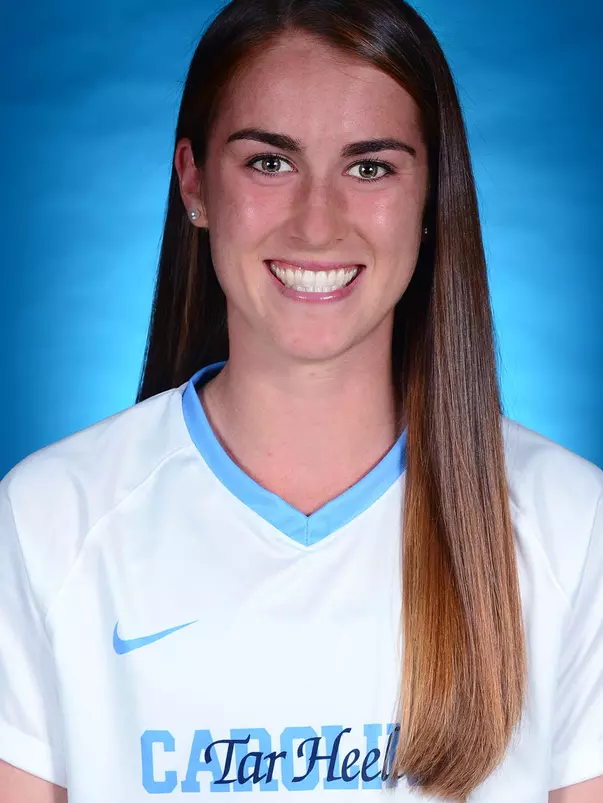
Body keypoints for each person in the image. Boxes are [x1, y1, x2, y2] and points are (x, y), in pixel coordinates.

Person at [1, 0, 602, 800]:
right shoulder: (50, 520)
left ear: (430, 197)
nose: (317, 226)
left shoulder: (569, 526)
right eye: (269, 163)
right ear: (194, 183)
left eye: (370, 168)